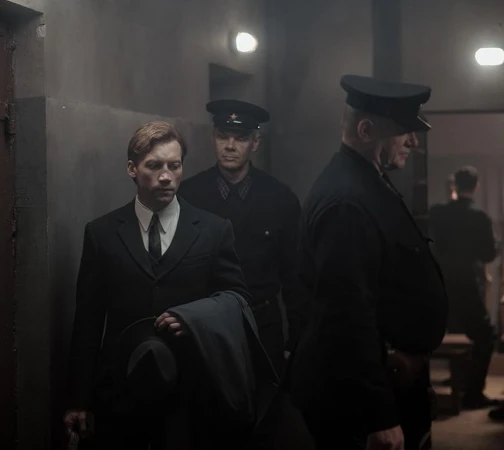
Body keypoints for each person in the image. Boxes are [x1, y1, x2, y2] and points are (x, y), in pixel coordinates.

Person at [63, 121, 254, 449]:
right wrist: (78, 399)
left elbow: (237, 298)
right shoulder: (102, 233)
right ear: (132, 169)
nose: (166, 176)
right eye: (154, 166)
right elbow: (87, 323)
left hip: (190, 389)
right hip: (121, 389)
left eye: (174, 166)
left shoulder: (213, 230)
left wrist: (194, 318)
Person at [285, 75, 448, 450]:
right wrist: (379, 415)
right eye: (403, 132)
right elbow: (347, 316)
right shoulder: (347, 201)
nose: (413, 142)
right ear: (366, 130)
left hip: (387, 381)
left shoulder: (366, 180)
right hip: (359, 402)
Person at [179, 99, 305, 372]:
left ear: (255, 142)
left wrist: (296, 339)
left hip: (263, 326)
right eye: (223, 136)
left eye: (241, 138)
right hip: (206, 327)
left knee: (265, 397)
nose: (230, 146)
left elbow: (294, 275)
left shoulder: (280, 198)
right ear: (213, 138)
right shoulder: (189, 195)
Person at [429, 166, 499, 408]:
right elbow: (488, 254)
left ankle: (457, 380)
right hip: (465, 283)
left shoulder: (437, 213)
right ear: (476, 186)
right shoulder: (479, 218)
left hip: (438, 283)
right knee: (485, 336)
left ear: (454, 185)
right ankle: (473, 393)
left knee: (454, 330)